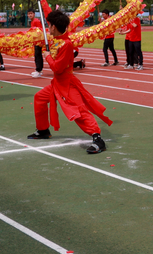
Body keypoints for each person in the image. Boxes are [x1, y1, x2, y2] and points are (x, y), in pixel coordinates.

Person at [26, 10, 112, 154]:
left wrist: (47, 56)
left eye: (49, 25)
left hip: (67, 84)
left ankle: (98, 139)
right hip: (57, 84)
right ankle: (43, 130)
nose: (48, 28)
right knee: (39, 98)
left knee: (79, 111)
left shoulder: (66, 44)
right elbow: (51, 14)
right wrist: (42, 0)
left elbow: (57, 68)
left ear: (54, 27)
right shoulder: (59, 38)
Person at [30, 0, 52, 78]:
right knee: (37, 55)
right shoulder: (32, 22)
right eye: (28, 14)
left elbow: (40, 31)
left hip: (40, 40)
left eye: (31, 14)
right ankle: (38, 70)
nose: (29, 15)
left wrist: (42, 0)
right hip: (37, 40)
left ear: (34, 14)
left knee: (39, 54)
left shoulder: (37, 21)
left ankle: (39, 70)